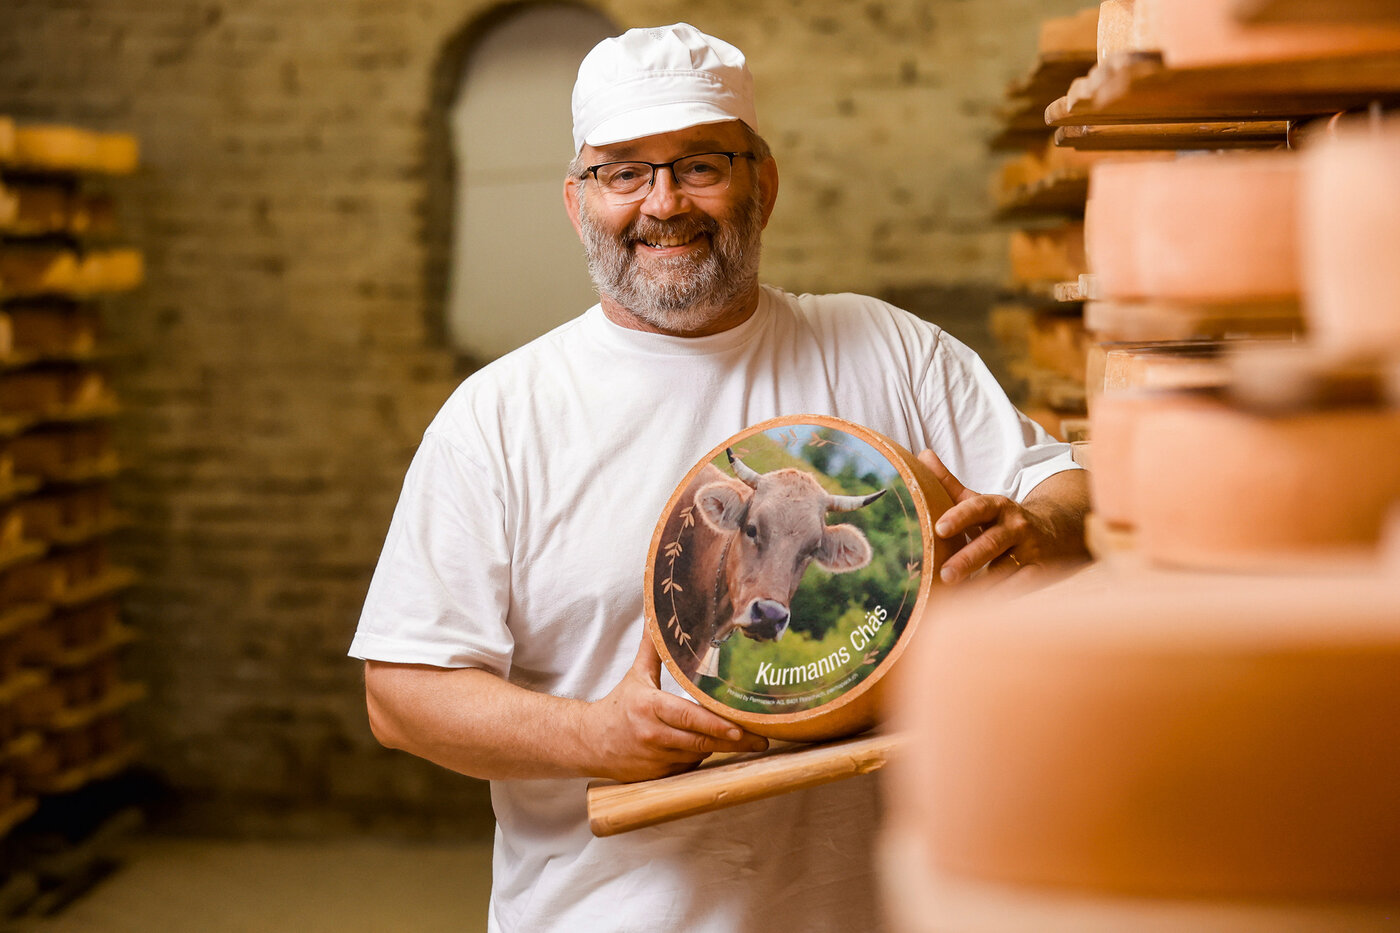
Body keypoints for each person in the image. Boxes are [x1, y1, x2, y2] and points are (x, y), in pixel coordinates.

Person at [351, 22, 1088, 933]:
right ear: (578, 201)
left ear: (762, 183)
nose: (664, 203)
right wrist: (598, 737)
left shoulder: (888, 347)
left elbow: (1070, 484)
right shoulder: (500, 417)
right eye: (624, 171)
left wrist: (1040, 527)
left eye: (701, 164)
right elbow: (401, 695)